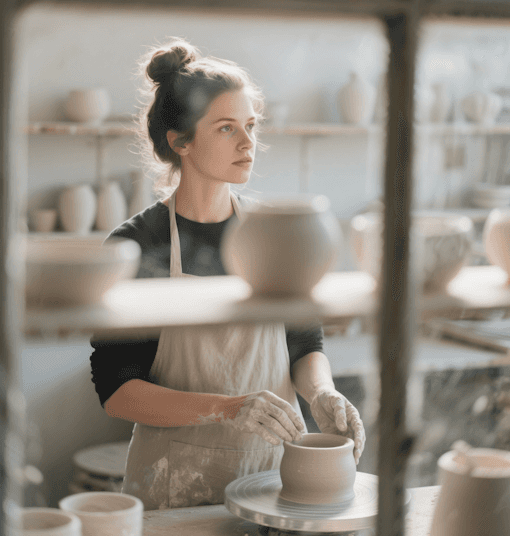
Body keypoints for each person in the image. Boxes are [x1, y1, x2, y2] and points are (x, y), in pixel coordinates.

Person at [89, 37, 366, 511]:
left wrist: (322, 394)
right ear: (180, 141)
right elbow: (118, 393)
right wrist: (229, 408)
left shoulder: (275, 234)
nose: (247, 143)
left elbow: (304, 345)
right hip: (173, 485)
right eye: (225, 128)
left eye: (251, 126)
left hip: (273, 478)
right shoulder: (137, 245)